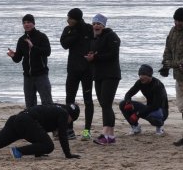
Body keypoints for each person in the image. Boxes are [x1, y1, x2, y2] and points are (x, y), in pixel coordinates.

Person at [0, 103, 81, 161]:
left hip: (17, 119)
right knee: (49, 146)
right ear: (72, 117)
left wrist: (38, 151)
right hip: (27, 122)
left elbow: (40, 130)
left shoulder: (57, 107)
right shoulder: (64, 115)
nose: (69, 123)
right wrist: (68, 154)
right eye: (71, 120)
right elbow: (63, 136)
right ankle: (18, 152)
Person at [160, 8, 183, 147]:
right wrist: (165, 65)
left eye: (180, 21)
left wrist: (172, 64)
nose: (177, 23)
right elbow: (168, 49)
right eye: (175, 20)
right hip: (178, 75)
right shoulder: (173, 31)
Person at [85, 13, 122, 145]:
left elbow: (112, 54)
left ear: (103, 25)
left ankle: (106, 134)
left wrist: (95, 57)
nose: (96, 26)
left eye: (99, 24)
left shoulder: (111, 36)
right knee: (104, 104)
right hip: (99, 75)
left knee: (106, 104)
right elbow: (96, 56)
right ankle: (110, 136)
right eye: (94, 23)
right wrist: (90, 57)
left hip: (111, 75)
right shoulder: (94, 39)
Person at [60, 8, 94, 139]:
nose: (68, 20)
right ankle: (70, 130)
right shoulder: (68, 29)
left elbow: (97, 42)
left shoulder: (89, 28)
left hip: (87, 70)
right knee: (69, 100)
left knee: (88, 101)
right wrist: (75, 33)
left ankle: (86, 131)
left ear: (77, 19)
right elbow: (64, 44)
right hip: (73, 70)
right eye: (68, 17)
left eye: (70, 18)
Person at [8, 14, 53, 109]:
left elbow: (47, 52)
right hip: (28, 77)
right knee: (30, 106)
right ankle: (34, 123)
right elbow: (18, 59)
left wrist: (33, 47)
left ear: (33, 23)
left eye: (28, 22)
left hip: (41, 75)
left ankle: (49, 123)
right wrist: (13, 56)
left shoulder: (41, 36)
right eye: (24, 23)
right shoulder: (21, 40)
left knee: (47, 103)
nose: (26, 24)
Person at [120, 64, 170, 136]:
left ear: (150, 75)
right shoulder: (140, 82)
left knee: (153, 115)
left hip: (161, 111)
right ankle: (136, 127)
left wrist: (137, 114)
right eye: (140, 75)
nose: (141, 77)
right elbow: (128, 94)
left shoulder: (157, 85)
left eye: (143, 75)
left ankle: (159, 127)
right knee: (123, 104)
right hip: (149, 107)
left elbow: (155, 106)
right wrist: (128, 102)